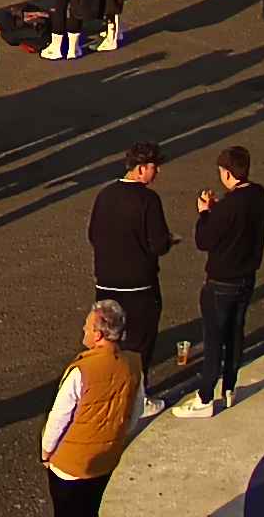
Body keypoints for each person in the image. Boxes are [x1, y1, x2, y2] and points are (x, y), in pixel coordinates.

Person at [172, 144, 264, 417]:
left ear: (228, 173)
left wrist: (205, 212)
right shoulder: (258, 195)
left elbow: (204, 240)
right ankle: (229, 387)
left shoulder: (228, 207)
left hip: (221, 282)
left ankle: (205, 397)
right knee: (235, 334)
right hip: (246, 278)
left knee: (214, 340)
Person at [39, 300, 157, 515]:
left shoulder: (81, 371)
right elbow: (135, 412)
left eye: (87, 326)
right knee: (91, 509)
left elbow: (59, 418)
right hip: (106, 460)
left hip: (70, 465)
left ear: (98, 335)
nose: (83, 329)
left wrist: (46, 452)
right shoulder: (133, 366)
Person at [87, 144, 175, 368]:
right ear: (141, 168)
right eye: (155, 167)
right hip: (139, 287)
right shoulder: (148, 200)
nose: (158, 171)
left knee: (108, 342)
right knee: (139, 346)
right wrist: (169, 241)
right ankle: (137, 386)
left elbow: (93, 235)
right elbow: (158, 244)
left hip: (106, 283)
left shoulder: (105, 195)